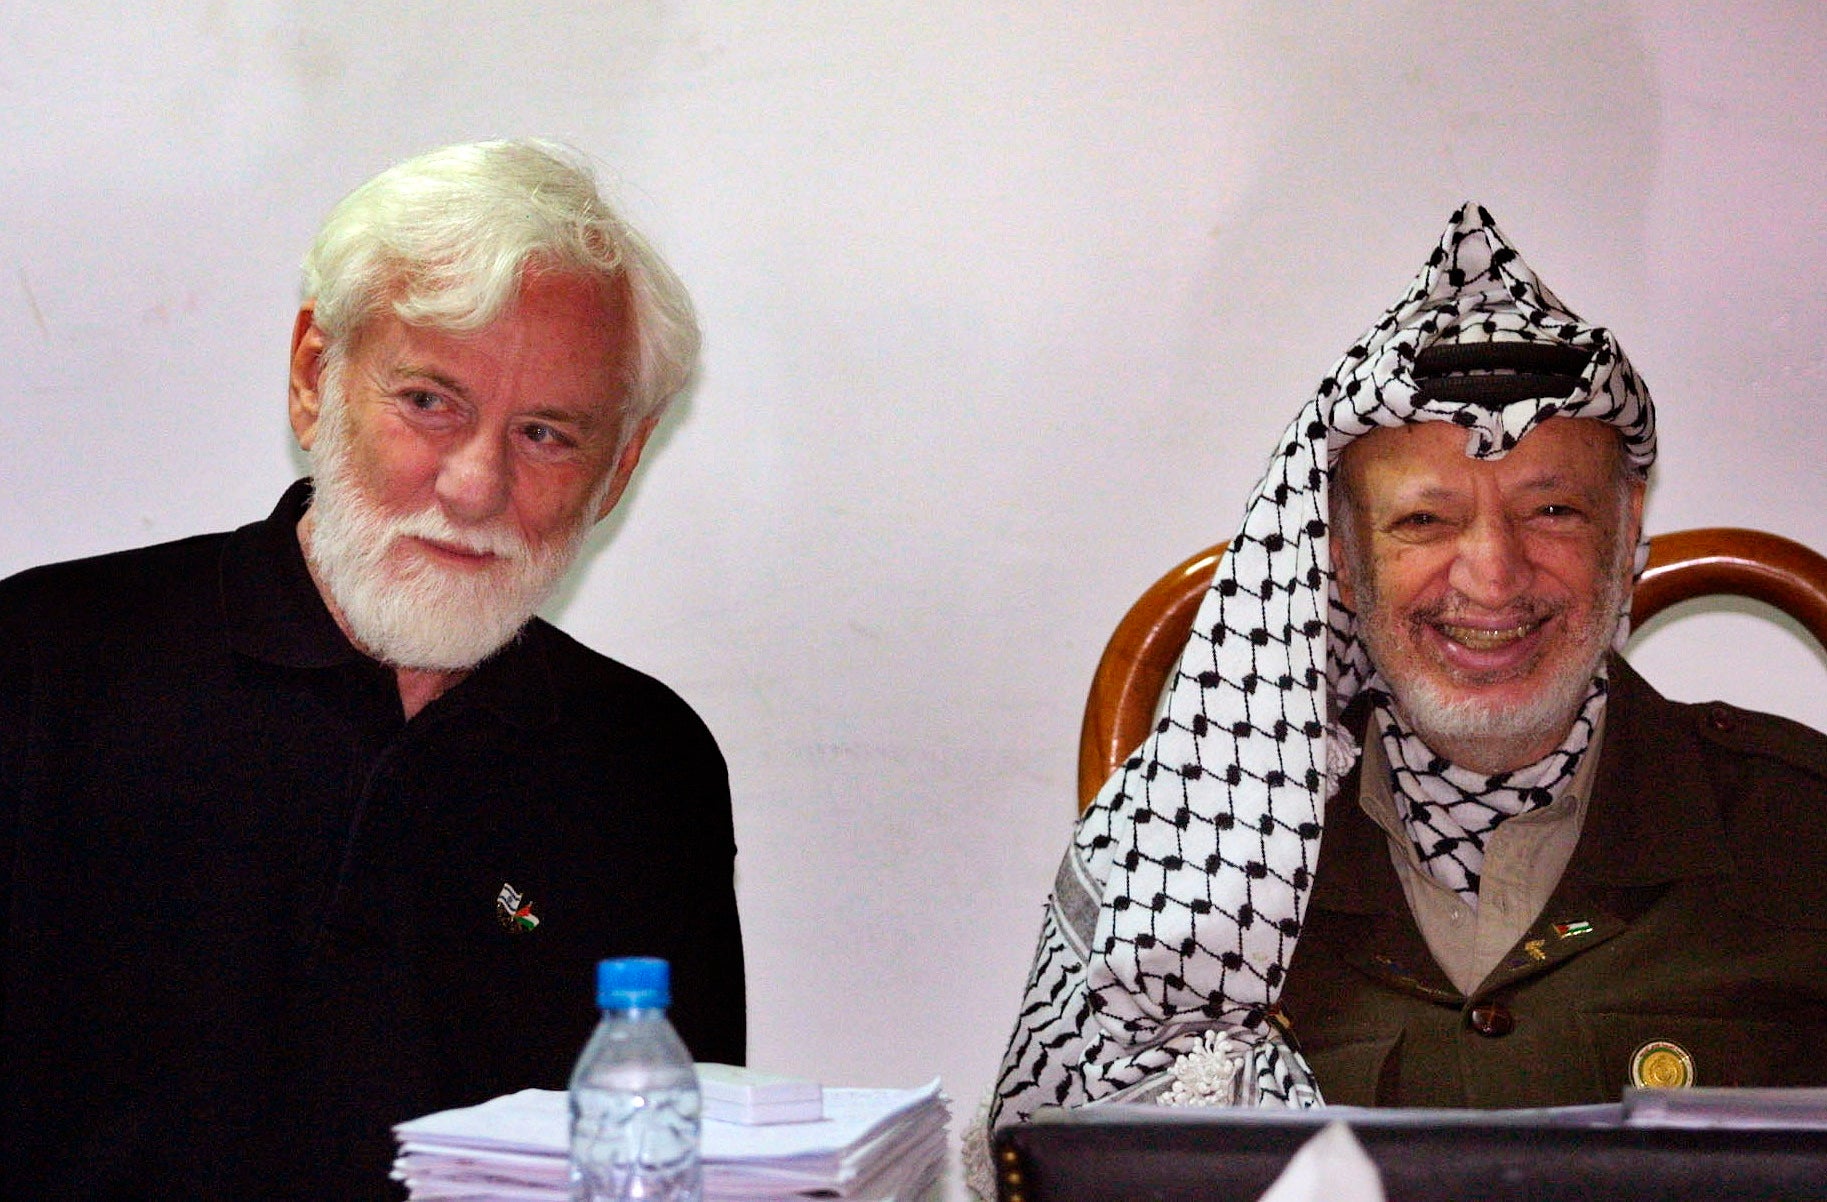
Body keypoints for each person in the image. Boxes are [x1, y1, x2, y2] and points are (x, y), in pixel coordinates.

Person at [985, 205, 1827, 1148]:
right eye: (1423, 522)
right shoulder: (1170, 861)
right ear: (1341, 561)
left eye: (1550, 510)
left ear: (1626, 540)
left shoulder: (1803, 831)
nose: (1493, 576)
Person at [0, 140, 745, 1199]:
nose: (475, 484)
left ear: (619, 467)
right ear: (315, 375)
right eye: (431, 401)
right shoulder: (42, 669)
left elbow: (681, 1168)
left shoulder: (646, 762)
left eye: (545, 433)